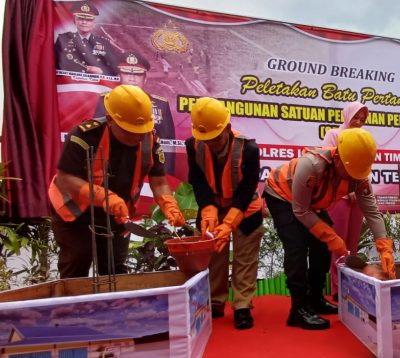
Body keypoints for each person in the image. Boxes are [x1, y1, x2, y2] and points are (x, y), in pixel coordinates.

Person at [263, 128, 396, 330]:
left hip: (311, 203)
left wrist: (385, 247)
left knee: (322, 247)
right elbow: (300, 210)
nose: (354, 177)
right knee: (297, 246)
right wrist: (331, 236)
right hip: (281, 194)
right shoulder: (311, 165)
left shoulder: (358, 174)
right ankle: (298, 309)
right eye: (351, 171)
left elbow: (372, 212)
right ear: (338, 158)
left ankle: (315, 298)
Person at [48, 85, 185, 278]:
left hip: (117, 213)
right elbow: (66, 180)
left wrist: (169, 205)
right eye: (130, 131)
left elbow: (159, 182)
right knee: (77, 263)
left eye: (142, 130)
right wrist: (105, 197)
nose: (138, 136)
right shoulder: (84, 136)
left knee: (115, 269)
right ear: (111, 120)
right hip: (75, 212)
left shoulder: (149, 141)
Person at [186, 97, 264, 330]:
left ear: (227, 129)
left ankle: (242, 306)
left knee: (245, 258)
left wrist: (230, 222)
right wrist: (208, 209)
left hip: (244, 207)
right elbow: (197, 180)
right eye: (206, 139)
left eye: (216, 138)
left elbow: (248, 187)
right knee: (213, 255)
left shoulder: (249, 148)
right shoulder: (192, 145)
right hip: (213, 205)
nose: (211, 144)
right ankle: (216, 302)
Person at [323, 102, 369, 300]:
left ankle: (351, 287)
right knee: (338, 243)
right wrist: (345, 188)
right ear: (347, 116)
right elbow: (329, 165)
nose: (358, 122)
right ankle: (337, 289)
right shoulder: (333, 135)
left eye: (362, 119)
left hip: (357, 197)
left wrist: (358, 188)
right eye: (355, 117)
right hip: (338, 197)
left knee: (352, 244)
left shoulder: (363, 138)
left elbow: (365, 167)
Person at [94, 51, 175, 142]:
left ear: (145, 79)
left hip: (148, 150)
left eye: (137, 74)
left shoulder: (161, 105)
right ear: (119, 76)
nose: (132, 78)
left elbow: (168, 143)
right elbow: (96, 136)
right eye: (126, 73)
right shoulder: (105, 100)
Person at [54, 2, 119, 76]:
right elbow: (55, 63)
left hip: (97, 83)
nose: (84, 22)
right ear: (74, 21)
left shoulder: (104, 43)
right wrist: (85, 69)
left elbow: (115, 68)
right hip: (70, 82)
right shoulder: (63, 39)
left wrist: (101, 70)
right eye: (80, 19)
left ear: (94, 23)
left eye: (88, 20)